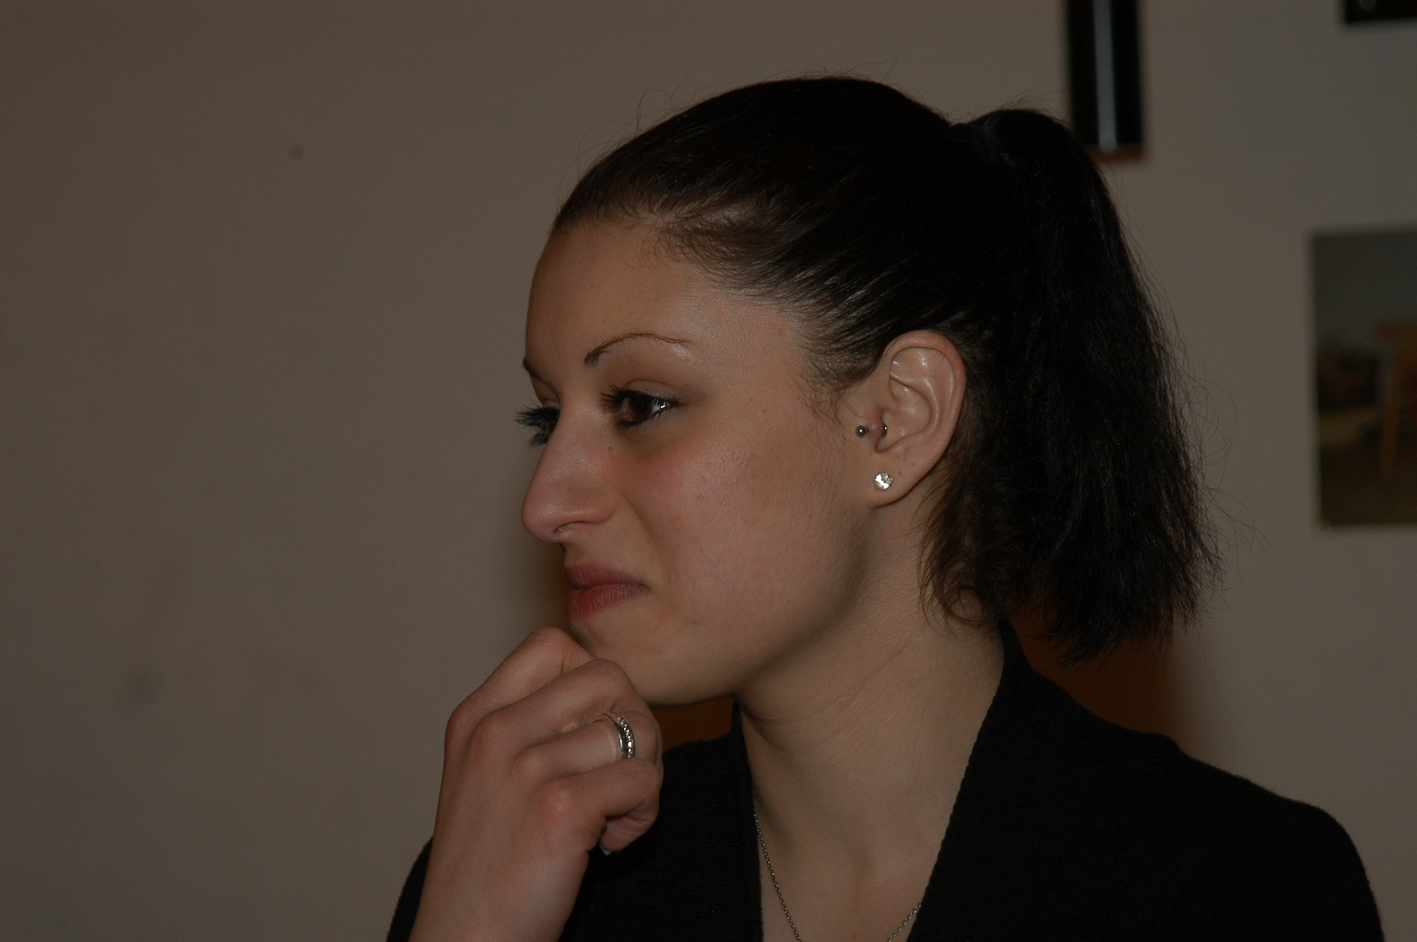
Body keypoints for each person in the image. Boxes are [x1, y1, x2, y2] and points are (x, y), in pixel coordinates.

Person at [386, 77, 1382, 941]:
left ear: (896, 419)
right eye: (546, 418)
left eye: (639, 405)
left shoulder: (1228, 890)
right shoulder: (534, 877)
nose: (546, 504)